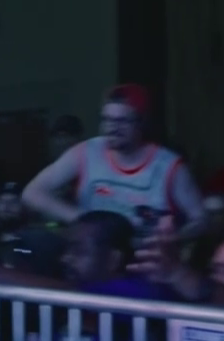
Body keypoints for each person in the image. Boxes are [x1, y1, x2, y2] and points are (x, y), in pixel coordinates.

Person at [23, 84, 206, 235]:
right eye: (107, 120)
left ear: (141, 123)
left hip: (145, 258)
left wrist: (172, 240)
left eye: (122, 121)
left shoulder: (169, 166)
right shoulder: (86, 152)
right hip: (95, 255)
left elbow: (201, 220)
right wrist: (87, 221)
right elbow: (32, 193)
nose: (112, 128)